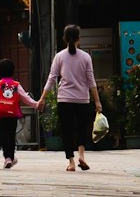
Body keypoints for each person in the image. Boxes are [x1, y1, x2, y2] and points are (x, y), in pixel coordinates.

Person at [37, 24, 102, 172]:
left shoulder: (59, 56)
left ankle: (71, 162)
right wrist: (97, 101)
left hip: (64, 100)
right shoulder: (86, 57)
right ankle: (82, 156)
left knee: (67, 131)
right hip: (82, 100)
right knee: (82, 129)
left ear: (65, 39)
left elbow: (51, 79)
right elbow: (91, 81)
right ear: (79, 39)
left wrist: (42, 98)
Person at [0, 58, 38, 169]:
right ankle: (11, 156)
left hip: (1, 114)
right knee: (11, 135)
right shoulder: (16, 85)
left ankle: (7, 158)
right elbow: (25, 97)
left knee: (3, 136)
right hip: (12, 114)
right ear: (12, 71)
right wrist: (36, 104)